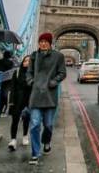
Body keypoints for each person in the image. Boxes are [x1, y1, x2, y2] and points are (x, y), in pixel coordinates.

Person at [26, 32, 66, 165]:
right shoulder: (34, 56)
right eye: (41, 41)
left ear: (50, 43)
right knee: (35, 125)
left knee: (48, 125)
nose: (43, 43)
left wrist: (54, 82)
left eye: (45, 41)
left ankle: (47, 141)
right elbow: (29, 72)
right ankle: (35, 154)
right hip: (36, 95)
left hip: (50, 95)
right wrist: (31, 81)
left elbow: (62, 73)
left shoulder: (58, 56)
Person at [8, 55, 32, 151]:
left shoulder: (33, 74)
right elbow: (12, 87)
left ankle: (25, 135)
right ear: (22, 62)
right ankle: (13, 140)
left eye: (29, 61)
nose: (27, 62)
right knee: (15, 120)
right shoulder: (17, 72)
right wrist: (11, 101)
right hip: (17, 100)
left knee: (26, 119)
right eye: (25, 61)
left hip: (29, 99)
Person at [0, 50, 15, 115]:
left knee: (1, 95)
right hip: (7, 80)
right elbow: (11, 71)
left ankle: (0, 109)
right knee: (5, 95)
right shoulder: (11, 62)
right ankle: (5, 108)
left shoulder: (0, 61)